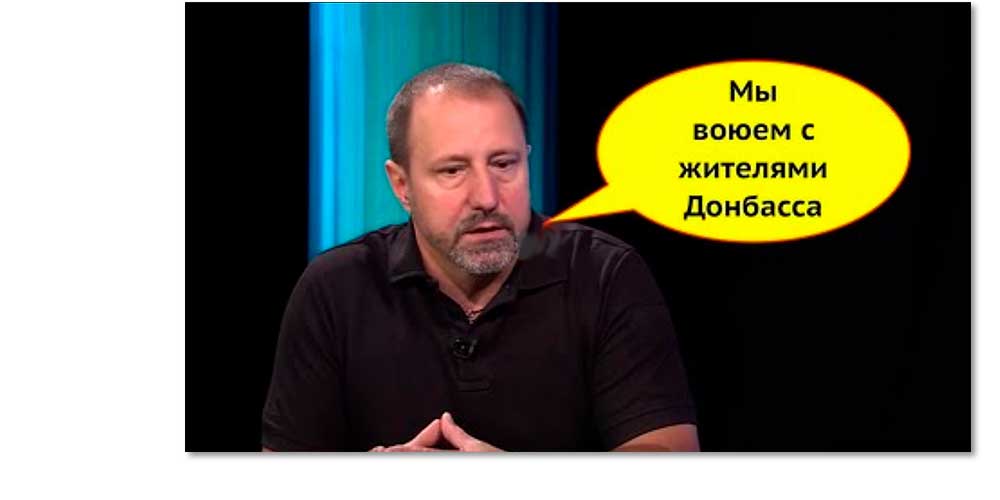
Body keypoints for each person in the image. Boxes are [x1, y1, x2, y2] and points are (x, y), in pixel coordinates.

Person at [262, 63, 699, 452]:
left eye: (504, 164)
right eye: (453, 170)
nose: (487, 197)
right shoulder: (335, 288)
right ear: (402, 186)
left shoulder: (604, 274)